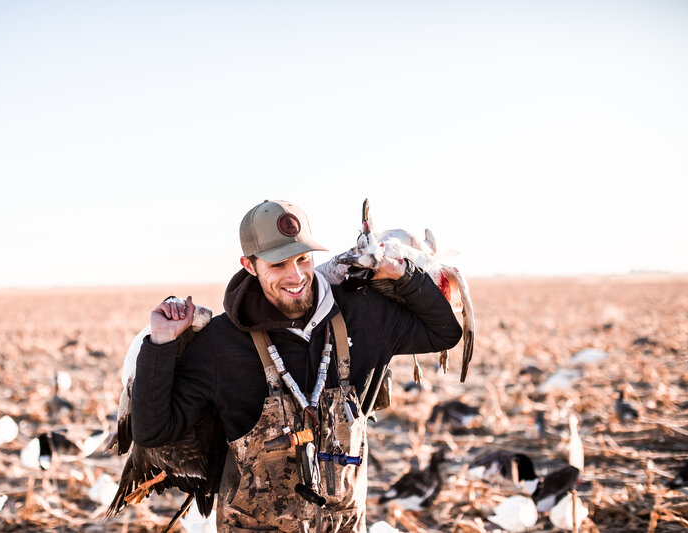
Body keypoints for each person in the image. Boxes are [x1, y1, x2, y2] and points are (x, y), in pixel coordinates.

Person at [132, 200, 462, 532]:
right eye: (278, 264)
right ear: (250, 265)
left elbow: (444, 332)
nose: (295, 276)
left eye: (303, 259)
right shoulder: (220, 344)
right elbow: (153, 432)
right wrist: (161, 345)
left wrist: (402, 274)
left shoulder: (361, 315)